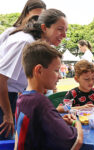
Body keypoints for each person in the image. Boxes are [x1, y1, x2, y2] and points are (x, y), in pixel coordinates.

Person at [0, 8, 68, 140]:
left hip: (12, 95)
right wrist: (8, 114)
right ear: (44, 27)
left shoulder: (38, 45)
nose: (64, 35)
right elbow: (1, 78)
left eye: (66, 30)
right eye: (60, 29)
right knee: (5, 139)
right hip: (3, 97)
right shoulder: (25, 42)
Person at [14, 41, 83, 149]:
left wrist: (59, 122)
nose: (60, 76)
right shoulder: (40, 101)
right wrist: (76, 122)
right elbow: (72, 141)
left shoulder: (22, 98)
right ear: (39, 70)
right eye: (56, 71)